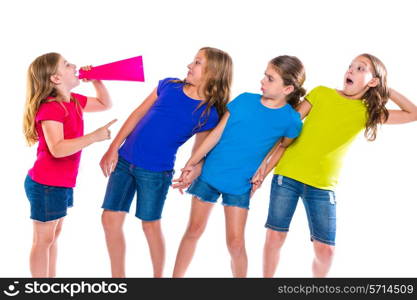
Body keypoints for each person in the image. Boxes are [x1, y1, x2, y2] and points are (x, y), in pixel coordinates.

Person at [258, 53, 417, 277]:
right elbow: (288, 125)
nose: (351, 70)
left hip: (322, 186)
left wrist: (386, 90)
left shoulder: (367, 112)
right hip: (288, 174)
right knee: (275, 236)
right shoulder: (321, 93)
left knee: (326, 251)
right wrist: (263, 164)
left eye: (361, 68)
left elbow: (414, 114)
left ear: (373, 81)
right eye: (350, 66)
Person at [99, 47, 233, 277]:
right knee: (109, 219)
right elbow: (137, 114)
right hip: (124, 161)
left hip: (155, 173)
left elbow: (199, 150)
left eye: (197, 62)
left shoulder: (209, 113)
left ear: (213, 73)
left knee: (149, 225)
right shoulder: (169, 86)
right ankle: (118, 278)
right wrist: (113, 148)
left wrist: (192, 170)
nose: (189, 65)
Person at [172, 55, 305, 277]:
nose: (263, 80)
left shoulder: (291, 120)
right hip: (209, 175)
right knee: (193, 230)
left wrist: (262, 174)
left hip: (239, 185)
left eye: (270, 78)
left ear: (288, 88)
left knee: (235, 243)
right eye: (265, 75)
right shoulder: (244, 100)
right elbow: (216, 134)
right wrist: (191, 162)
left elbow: (281, 147)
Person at [23, 52, 115, 277]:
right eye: (66, 64)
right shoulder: (51, 108)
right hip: (46, 184)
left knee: (53, 236)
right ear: (55, 78)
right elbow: (58, 148)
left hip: (60, 183)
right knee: (43, 239)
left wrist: (96, 80)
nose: (74, 65)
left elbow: (105, 104)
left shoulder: (74, 100)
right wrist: (94, 136)